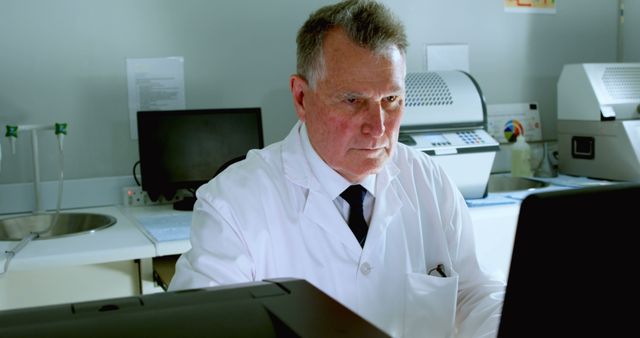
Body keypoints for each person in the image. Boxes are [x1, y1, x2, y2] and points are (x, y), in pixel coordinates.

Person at [169, 0, 505, 336]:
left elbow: (473, 293)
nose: (378, 127)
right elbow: (200, 326)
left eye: (391, 100)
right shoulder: (235, 203)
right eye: (352, 100)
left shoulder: (428, 180)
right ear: (301, 97)